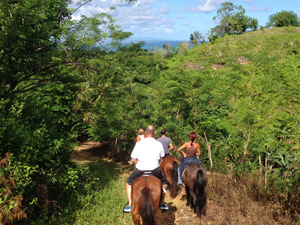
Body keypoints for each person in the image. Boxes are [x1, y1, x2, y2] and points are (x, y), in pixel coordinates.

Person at [123, 125, 169, 213]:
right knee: (164, 182)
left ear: (145, 132)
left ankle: (130, 204)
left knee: (129, 182)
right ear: (154, 133)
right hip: (155, 170)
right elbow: (162, 158)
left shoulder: (139, 143)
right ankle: (162, 202)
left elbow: (133, 158)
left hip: (140, 170)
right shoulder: (158, 144)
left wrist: (138, 162)